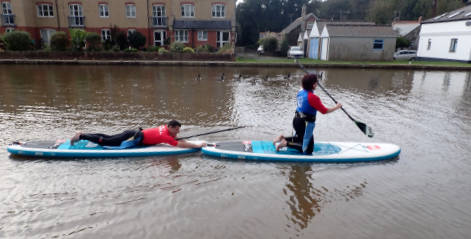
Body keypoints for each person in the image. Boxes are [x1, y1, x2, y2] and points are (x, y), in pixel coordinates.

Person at [274, 74, 342, 154]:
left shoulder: (301, 91)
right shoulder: (313, 98)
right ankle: (286, 143)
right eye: (316, 83)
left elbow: (305, 83)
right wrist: (337, 107)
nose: (317, 84)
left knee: (300, 138)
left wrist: (312, 80)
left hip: (296, 120)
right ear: (313, 85)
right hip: (304, 124)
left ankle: (282, 138)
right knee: (309, 149)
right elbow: (324, 111)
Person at [70, 120, 206, 149]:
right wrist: (197, 145)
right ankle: (81, 136)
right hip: (133, 137)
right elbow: (178, 144)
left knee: (109, 137)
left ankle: (83, 133)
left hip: (133, 133)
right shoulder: (165, 135)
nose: (178, 132)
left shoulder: (164, 128)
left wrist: (174, 135)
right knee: (106, 141)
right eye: (176, 129)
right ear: (170, 127)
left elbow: (172, 138)